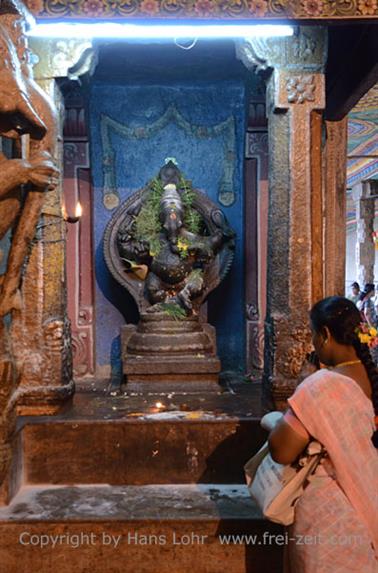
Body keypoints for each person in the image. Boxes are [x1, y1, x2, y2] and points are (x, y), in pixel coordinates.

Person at [268, 296, 378, 572]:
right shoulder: (370, 376)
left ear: (325, 334)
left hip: (328, 520)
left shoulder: (321, 386)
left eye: (313, 334)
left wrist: (302, 387)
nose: (314, 344)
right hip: (367, 512)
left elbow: (281, 450)